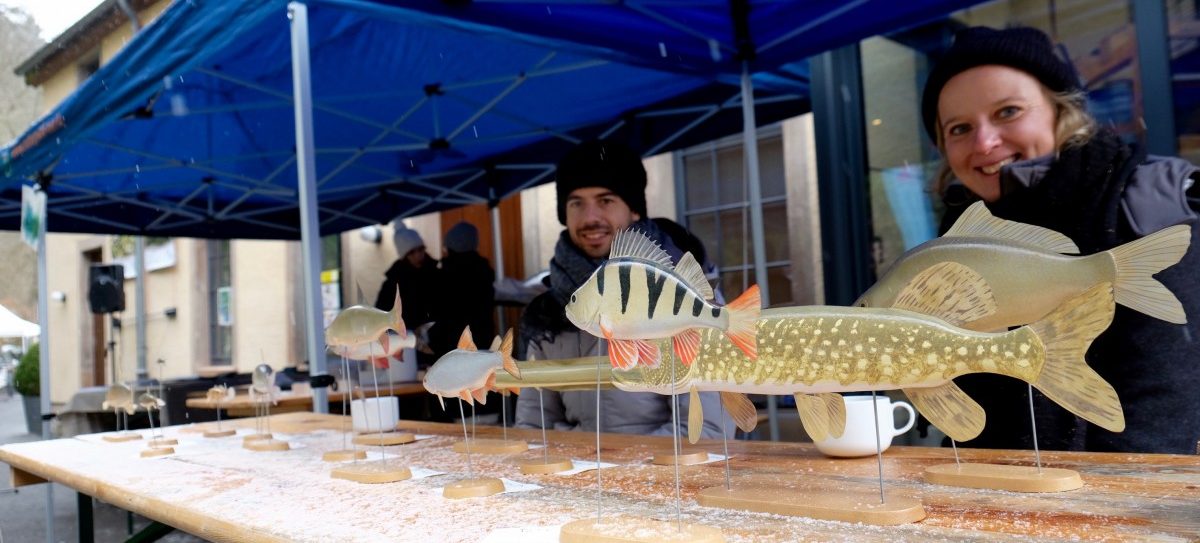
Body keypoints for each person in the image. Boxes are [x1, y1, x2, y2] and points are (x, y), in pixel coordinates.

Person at [922, 26, 1200, 454]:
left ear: (1060, 110)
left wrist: (1114, 507)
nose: (985, 142)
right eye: (959, 128)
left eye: (1007, 111)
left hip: (1119, 496)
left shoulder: (1144, 200)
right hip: (985, 494)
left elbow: (1166, 391)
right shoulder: (956, 230)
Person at [514, 140, 733, 438]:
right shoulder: (546, 313)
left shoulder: (689, 296)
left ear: (634, 211)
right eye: (576, 202)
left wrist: (614, 467)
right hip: (577, 476)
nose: (590, 217)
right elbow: (532, 425)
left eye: (606, 200)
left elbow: (706, 429)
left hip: (668, 477)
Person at [427, 221, 496, 359]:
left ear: (451, 247)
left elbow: (435, 312)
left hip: (449, 348)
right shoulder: (484, 272)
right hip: (480, 343)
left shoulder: (444, 274)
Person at [374, 224, 439, 364]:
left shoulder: (436, 274)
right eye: (412, 252)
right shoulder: (392, 283)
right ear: (404, 255)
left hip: (440, 343)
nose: (418, 255)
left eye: (420, 249)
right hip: (408, 347)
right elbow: (381, 315)